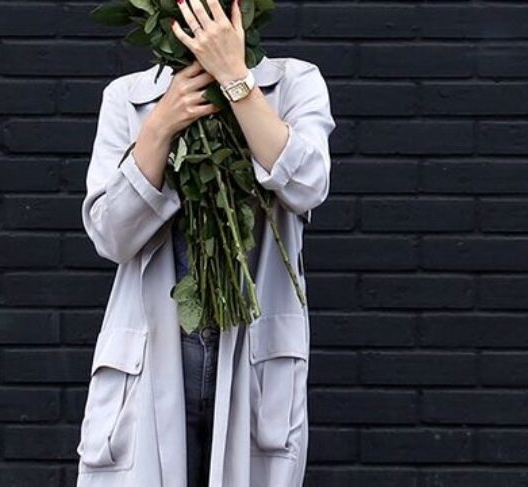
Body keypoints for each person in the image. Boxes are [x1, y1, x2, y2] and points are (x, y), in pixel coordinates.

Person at [76, 1, 336, 486]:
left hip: (256, 361)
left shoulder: (294, 83)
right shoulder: (126, 98)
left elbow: (308, 185)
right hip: (149, 362)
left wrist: (237, 80)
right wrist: (159, 126)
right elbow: (110, 236)